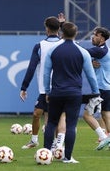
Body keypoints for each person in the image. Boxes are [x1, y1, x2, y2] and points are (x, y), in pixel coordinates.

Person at [43, 22, 100, 163]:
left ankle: (46, 155)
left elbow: (46, 73)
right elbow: (91, 75)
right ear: (75, 34)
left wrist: (47, 91)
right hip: (74, 94)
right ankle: (67, 158)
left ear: (62, 33)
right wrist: (96, 93)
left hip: (56, 92)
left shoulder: (53, 50)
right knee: (71, 125)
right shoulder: (83, 52)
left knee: (51, 123)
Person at [20, 14, 66, 149]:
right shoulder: (42, 45)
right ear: (58, 28)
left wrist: (23, 87)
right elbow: (32, 67)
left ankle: (57, 145)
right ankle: (34, 140)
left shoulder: (58, 44)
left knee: (52, 118)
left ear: (46, 28)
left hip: (57, 89)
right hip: (44, 89)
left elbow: (31, 68)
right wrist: (25, 86)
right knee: (37, 114)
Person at [82, 27, 110, 150]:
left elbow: (81, 52)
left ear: (102, 38)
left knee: (87, 115)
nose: (92, 37)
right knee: (105, 115)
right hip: (106, 88)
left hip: (101, 89)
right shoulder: (103, 50)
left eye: (95, 35)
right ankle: (107, 138)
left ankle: (103, 137)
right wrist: (91, 62)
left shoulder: (100, 51)